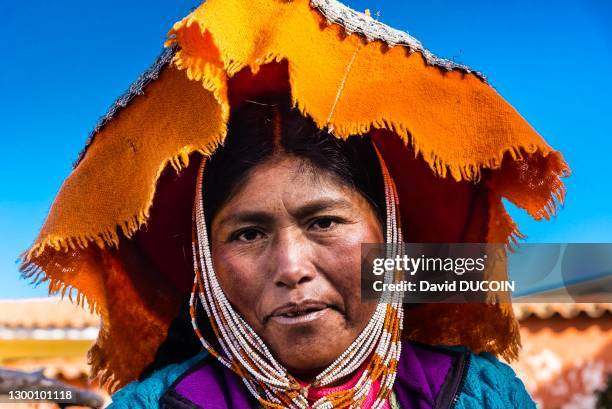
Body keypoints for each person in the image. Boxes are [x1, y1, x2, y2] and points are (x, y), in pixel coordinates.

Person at [20, 0, 569, 408]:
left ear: (392, 240)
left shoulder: (476, 394)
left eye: (325, 221)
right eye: (248, 233)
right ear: (207, 264)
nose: (291, 268)